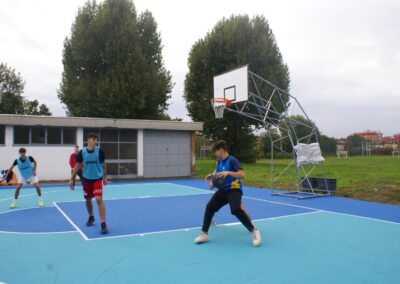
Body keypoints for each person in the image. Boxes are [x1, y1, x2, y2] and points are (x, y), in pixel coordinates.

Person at [194, 140, 261, 247]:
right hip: (223, 190)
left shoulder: (232, 160)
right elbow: (218, 174)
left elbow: (242, 175)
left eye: (216, 152)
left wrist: (229, 172)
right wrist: (212, 177)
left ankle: (255, 231)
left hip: (234, 189)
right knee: (210, 206)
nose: (215, 154)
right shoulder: (220, 162)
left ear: (220, 150)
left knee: (235, 209)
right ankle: (204, 234)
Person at [70, 132, 109, 234]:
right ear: (88, 140)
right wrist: (71, 178)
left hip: (97, 178)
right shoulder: (82, 152)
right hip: (86, 179)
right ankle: (91, 216)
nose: (95, 141)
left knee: (98, 198)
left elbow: (104, 164)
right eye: (93, 139)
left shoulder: (100, 151)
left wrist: (105, 177)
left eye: (96, 139)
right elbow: (77, 166)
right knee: (88, 199)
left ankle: (103, 224)